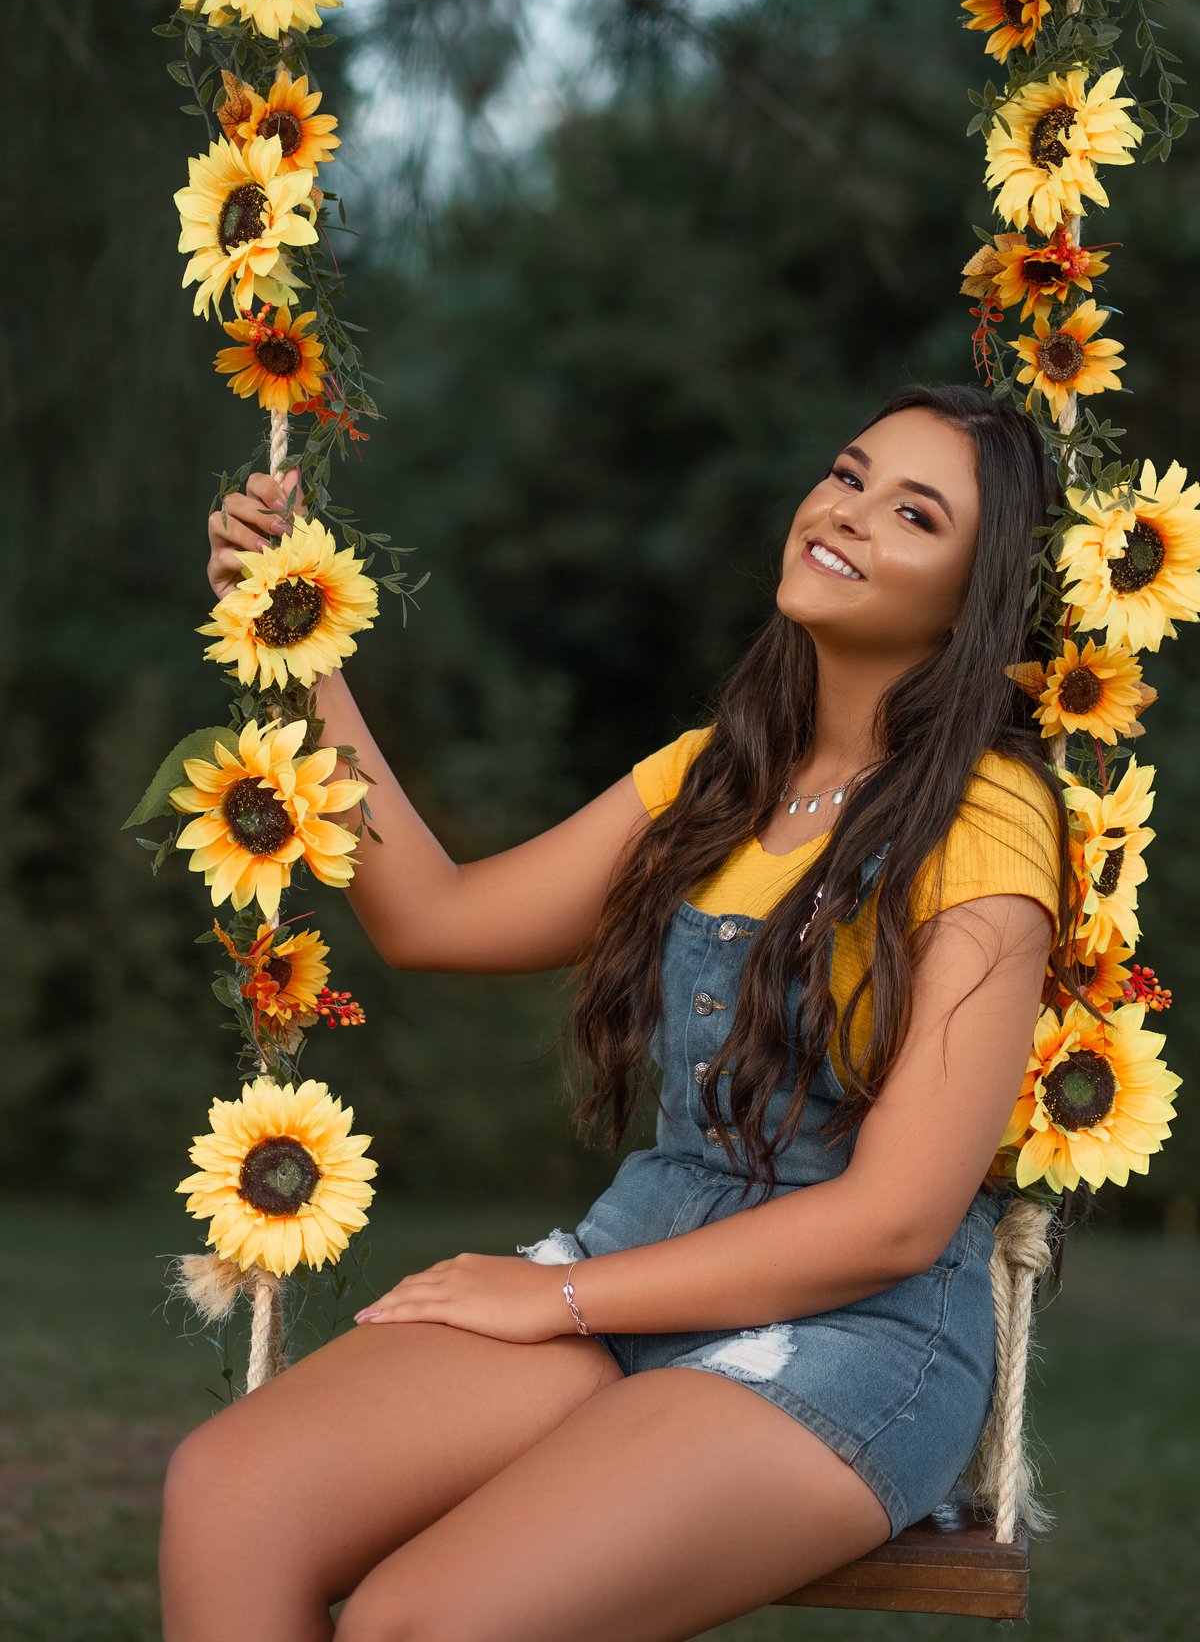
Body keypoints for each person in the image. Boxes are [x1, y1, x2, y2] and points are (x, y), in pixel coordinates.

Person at [160, 384, 1067, 1642]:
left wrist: (560, 1299)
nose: (848, 513)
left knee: (423, 1619)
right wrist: (298, 644)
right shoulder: (718, 776)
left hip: (855, 1328)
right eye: (849, 475)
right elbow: (435, 915)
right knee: (232, 1491)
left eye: (915, 515)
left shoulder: (987, 816)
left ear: (974, 598)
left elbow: (896, 1220)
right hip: (641, 1257)